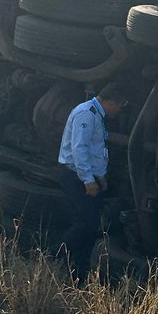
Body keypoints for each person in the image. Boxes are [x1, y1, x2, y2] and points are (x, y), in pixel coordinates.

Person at [56, 82, 127, 284]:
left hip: (88, 177)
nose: (119, 110)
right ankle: (56, 256)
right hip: (76, 176)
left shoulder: (96, 114)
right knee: (85, 223)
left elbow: (96, 150)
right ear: (111, 102)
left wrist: (100, 176)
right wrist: (88, 180)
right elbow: (80, 149)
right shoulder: (86, 114)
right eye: (120, 106)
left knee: (89, 224)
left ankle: (77, 270)